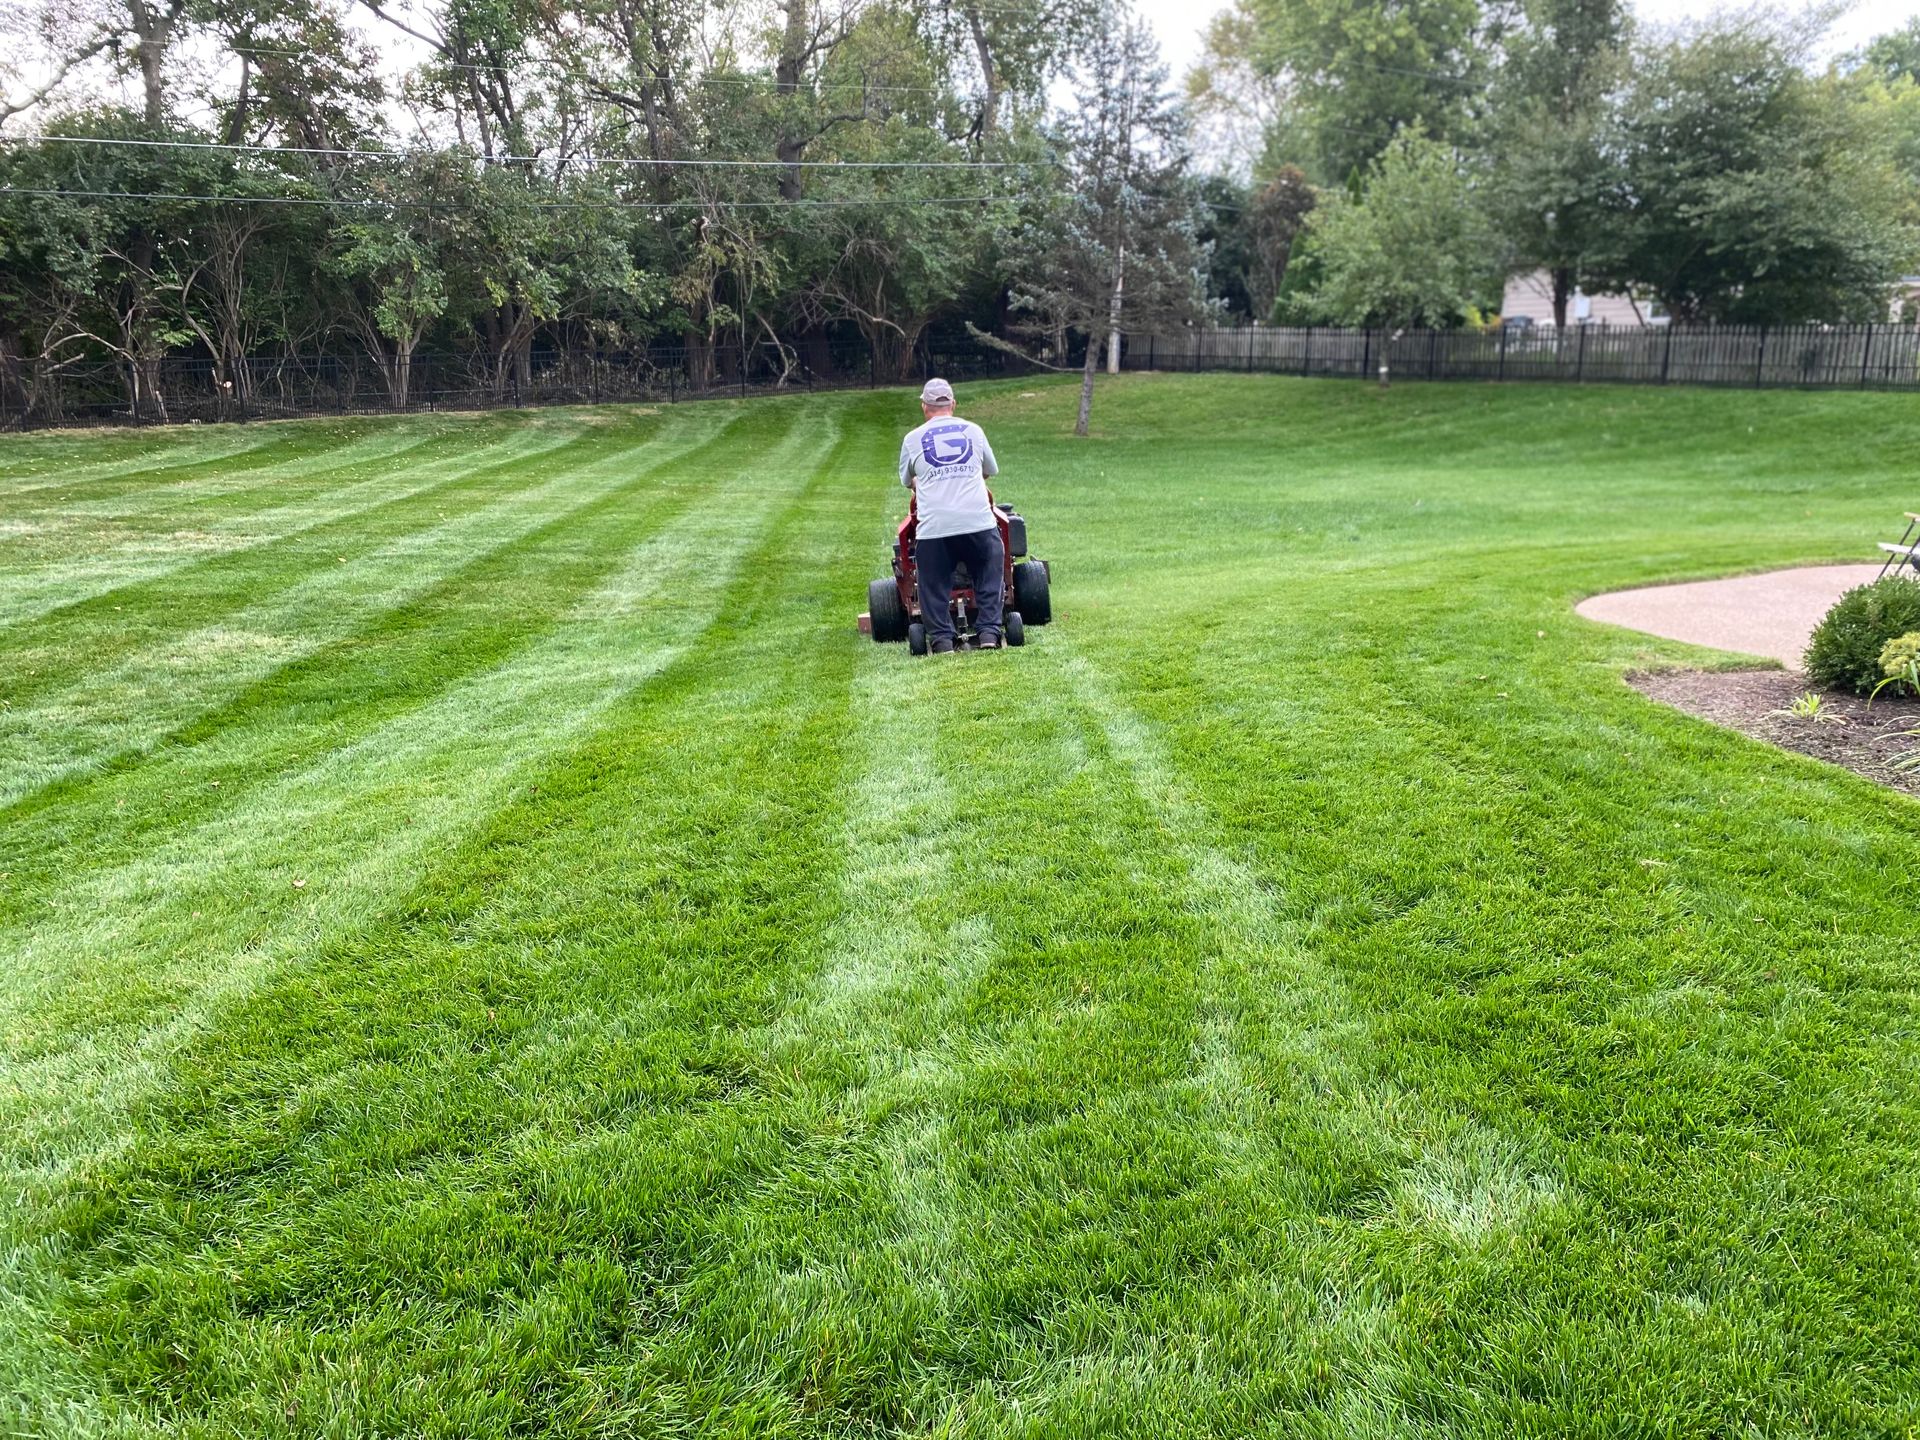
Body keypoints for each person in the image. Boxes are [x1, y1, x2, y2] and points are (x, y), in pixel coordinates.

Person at [898, 377, 1005, 653]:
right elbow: (988, 470)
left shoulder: (912, 439)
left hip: (934, 528)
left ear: (924, 407)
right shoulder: (975, 431)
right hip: (977, 524)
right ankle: (989, 634)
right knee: (990, 568)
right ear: (953, 404)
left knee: (931, 582)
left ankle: (943, 640)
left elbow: (907, 480)